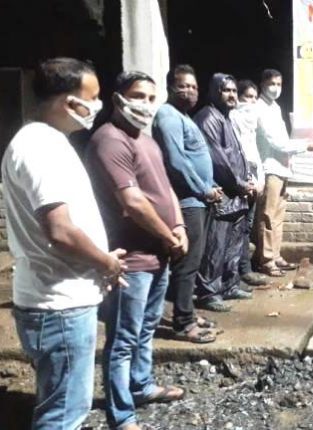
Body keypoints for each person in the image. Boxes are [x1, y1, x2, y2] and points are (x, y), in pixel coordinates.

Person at [2, 57, 125, 430]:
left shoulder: (46, 141)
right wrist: (106, 262)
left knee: (59, 401)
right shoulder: (41, 147)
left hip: (56, 299)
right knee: (64, 414)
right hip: (60, 305)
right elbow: (60, 230)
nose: (98, 105)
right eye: (93, 97)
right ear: (68, 101)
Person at [86, 71, 186, 430]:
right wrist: (168, 236)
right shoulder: (110, 140)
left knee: (145, 329)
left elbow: (165, 188)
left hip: (158, 252)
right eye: (138, 96)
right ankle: (122, 415)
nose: (145, 104)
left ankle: (141, 386)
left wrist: (179, 226)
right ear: (118, 99)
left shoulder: (146, 140)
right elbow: (133, 202)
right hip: (131, 258)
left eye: (151, 98)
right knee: (123, 338)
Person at [152, 64, 222, 343]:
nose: (189, 91)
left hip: (198, 198)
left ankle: (186, 312)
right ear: (170, 87)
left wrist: (209, 186)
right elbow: (176, 161)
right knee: (187, 263)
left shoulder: (183, 117)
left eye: (193, 87)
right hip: (187, 200)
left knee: (192, 261)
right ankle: (183, 323)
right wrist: (203, 189)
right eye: (183, 86)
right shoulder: (168, 116)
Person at [193, 73, 255, 312]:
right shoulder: (209, 117)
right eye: (226, 90)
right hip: (224, 191)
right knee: (216, 245)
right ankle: (209, 292)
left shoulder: (225, 118)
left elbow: (235, 154)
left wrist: (245, 179)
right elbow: (217, 159)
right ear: (214, 92)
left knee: (233, 244)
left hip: (236, 192)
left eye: (234, 91)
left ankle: (229, 284)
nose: (231, 95)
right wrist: (239, 183)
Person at [255, 68, 313, 277]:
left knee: (278, 217)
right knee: (267, 217)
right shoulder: (260, 108)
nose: (275, 88)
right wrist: (304, 146)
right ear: (262, 85)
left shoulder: (275, 107)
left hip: (282, 168)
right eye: (271, 84)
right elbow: (276, 142)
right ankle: (266, 260)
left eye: (279, 84)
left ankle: (275, 255)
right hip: (270, 168)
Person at [230, 79, 268, 289]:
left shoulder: (253, 122)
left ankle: (244, 270)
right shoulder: (233, 118)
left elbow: (254, 151)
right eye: (247, 97)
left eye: (254, 97)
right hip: (240, 175)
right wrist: (246, 179)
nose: (251, 102)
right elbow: (236, 152)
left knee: (247, 226)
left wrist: (259, 178)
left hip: (253, 171)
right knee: (237, 227)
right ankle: (234, 274)